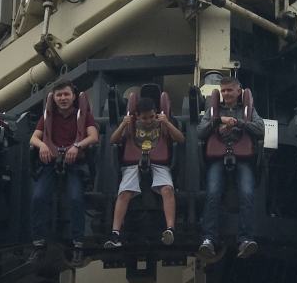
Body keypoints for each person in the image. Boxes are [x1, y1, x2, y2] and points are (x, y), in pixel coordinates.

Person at [29, 79, 100, 267]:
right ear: (54, 98)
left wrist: (77, 146)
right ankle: (38, 243)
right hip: (50, 164)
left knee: (76, 199)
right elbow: (34, 138)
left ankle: (78, 245)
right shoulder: (48, 117)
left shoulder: (84, 116)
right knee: (38, 197)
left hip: (74, 165)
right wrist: (43, 145)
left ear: (73, 96)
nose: (63, 98)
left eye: (66, 94)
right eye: (59, 95)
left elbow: (93, 137)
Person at [197, 76, 265, 260]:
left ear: (238, 91)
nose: (226, 94)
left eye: (229, 90)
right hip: (218, 157)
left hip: (243, 158)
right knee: (212, 193)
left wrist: (238, 123)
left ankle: (245, 238)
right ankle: (208, 238)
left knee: (247, 193)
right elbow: (200, 131)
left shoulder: (247, 110)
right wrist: (218, 121)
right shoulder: (213, 111)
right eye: (223, 90)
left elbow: (260, 130)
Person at [104, 96, 185, 248]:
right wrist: (123, 125)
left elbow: (180, 139)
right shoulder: (131, 125)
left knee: (167, 189)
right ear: (137, 116)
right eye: (144, 118)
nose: (148, 121)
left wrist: (166, 123)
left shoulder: (164, 123)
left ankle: (170, 229)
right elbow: (112, 141)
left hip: (159, 163)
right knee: (124, 192)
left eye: (152, 117)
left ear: (156, 113)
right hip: (133, 164)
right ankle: (115, 234)